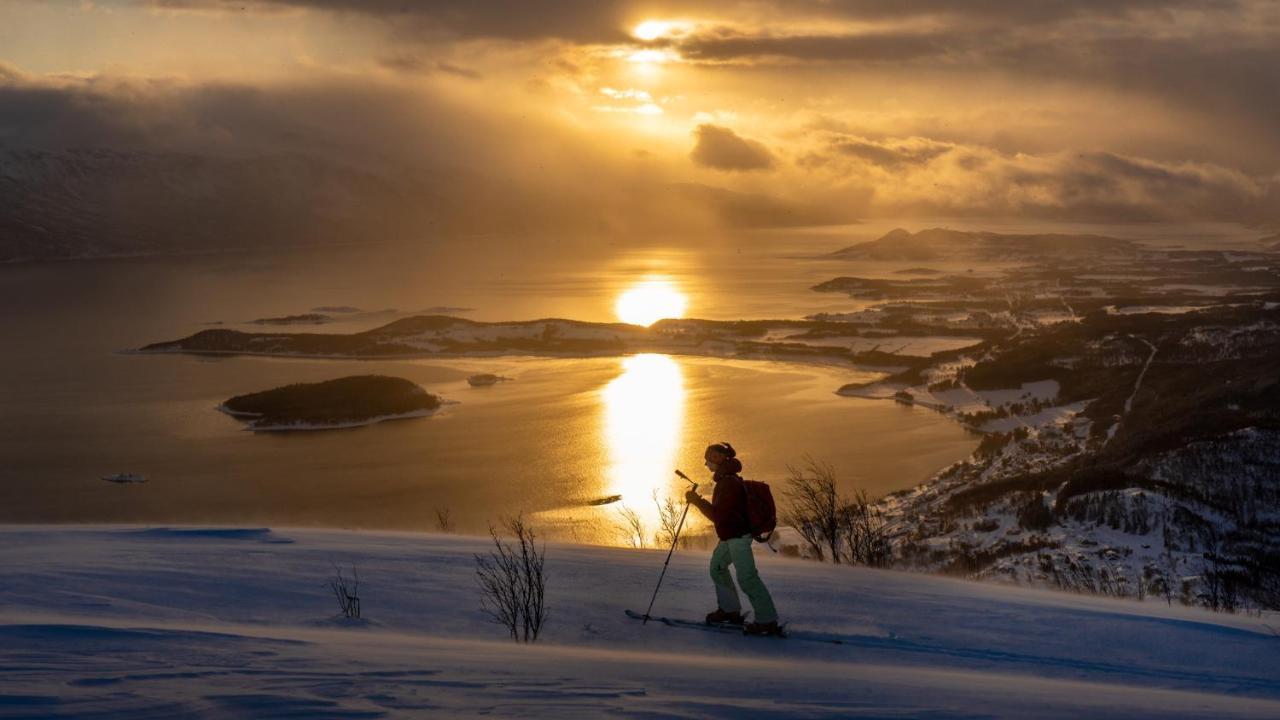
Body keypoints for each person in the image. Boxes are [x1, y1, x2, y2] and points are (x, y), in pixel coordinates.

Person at [686, 441, 782, 636]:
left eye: (708, 460)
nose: (706, 464)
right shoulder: (726, 480)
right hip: (730, 536)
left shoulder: (728, 483)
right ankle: (730, 610)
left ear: (718, 459)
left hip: (738, 537)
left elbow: (719, 516)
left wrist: (697, 502)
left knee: (747, 578)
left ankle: (767, 620)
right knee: (717, 568)